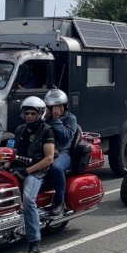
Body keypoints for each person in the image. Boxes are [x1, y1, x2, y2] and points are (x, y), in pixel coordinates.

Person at [11, 96, 55, 253]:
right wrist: (4, 162)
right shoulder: (20, 129)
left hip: (37, 171)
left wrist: (27, 171)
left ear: (40, 114)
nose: (29, 116)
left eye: (33, 113)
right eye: (27, 113)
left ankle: (34, 243)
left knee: (29, 199)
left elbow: (49, 158)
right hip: (18, 168)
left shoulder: (47, 131)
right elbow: (13, 150)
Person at [43, 88, 78, 216]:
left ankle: (60, 202)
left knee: (56, 168)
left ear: (65, 106)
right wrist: (43, 119)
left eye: (60, 106)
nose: (58, 109)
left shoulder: (71, 119)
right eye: (54, 107)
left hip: (65, 153)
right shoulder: (45, 118)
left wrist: (56, 119)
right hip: (47, 150)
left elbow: (66, 137)